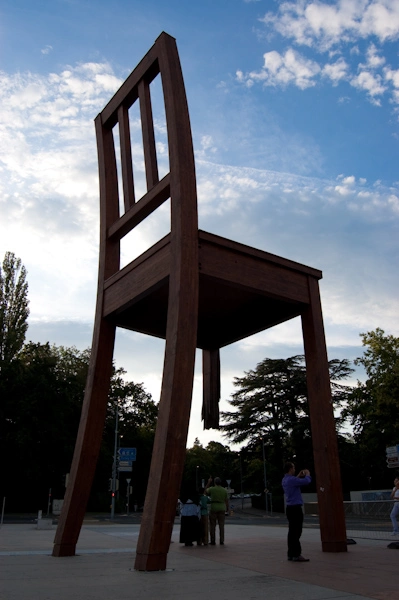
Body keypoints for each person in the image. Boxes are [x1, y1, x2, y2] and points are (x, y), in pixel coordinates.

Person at [282, 462, 311, 562]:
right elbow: (306, 482)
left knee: (292, 531)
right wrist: (307, 474)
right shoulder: (292, 480)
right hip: (295, 508)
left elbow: (295, 482)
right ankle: (296, 554)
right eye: (293, 468)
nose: (294, 469)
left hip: (289, 508)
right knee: (297, 531)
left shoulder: (285, 480)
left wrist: (298, 476)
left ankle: (290, 554)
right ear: (290, 469)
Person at [204, 476, 229, 545]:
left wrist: (208, 482)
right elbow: (226, 500)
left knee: (212, 525)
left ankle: (212, 540)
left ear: (214, 482)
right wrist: (227, 508)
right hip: (222, 507)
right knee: (221, 525)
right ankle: (222, 540)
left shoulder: (212, 489)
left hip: (213, 507)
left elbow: (205, 492)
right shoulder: (224, 490)